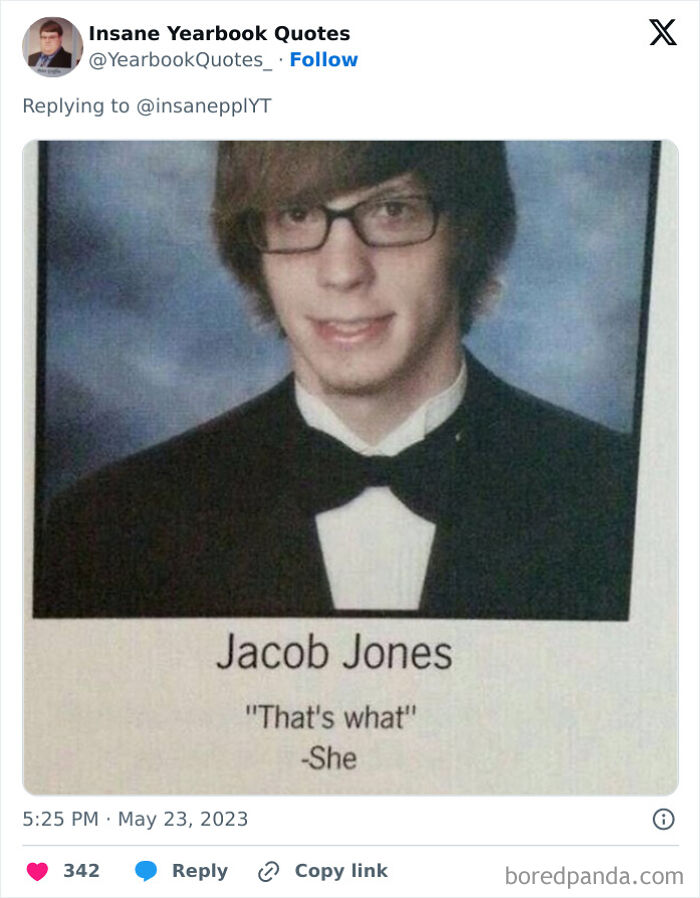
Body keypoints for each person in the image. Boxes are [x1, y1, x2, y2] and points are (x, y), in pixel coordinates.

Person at [35, 141, 636, 619]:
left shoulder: (621, 502)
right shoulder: (108, 530)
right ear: (254, 249)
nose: (343, 272)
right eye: (296, 214)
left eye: (392, 209)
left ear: (469, 235)